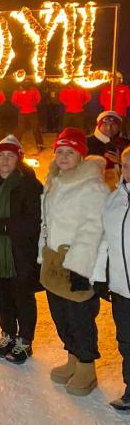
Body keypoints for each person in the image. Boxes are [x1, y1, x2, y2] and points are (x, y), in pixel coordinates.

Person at [39, 127, 108, 396]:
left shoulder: (93, 186)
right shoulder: (54, 180)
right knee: (60, 315)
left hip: (77, 263)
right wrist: (42, 256)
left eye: (70, 152)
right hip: (54, 261)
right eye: (60, 151)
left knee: (80, 318)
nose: (64, 157)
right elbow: (46, 223)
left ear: (81, 155)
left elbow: (93, 229)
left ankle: (86, 367)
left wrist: (80, 269)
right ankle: (72, 360)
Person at [0, 135, 43, 364]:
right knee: (3, 295)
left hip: (20, 253)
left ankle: (25, 341)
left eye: (10, 155)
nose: (5, 160)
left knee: (22, 296)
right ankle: (7, 335)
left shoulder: (29, 184)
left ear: (19, 159)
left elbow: (36, 220)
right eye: (1, 155)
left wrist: (3, 226)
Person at [93, 147, 130, 410]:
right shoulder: (115, 198)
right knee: (126, 339)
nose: (129, 171)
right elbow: (103, 241)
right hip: (120, 287)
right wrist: (99, 277)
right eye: (126, 165)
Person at [87, 110, 128, 189]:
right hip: (93, 187)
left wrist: (121, 162)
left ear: (119, 127)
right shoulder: (86, 142)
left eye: (113, 125)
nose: (109, 128)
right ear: (99, 126)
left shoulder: (126, 144)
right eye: (105, 124)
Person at [11, 81, 44, 154]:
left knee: (35, 128)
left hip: (32, 112)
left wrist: (32, 105)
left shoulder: (34, 90)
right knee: (20, 128)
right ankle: (15, 144)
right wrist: (19, 106)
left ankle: (40, 145)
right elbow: (13, 101)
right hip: (22, 112)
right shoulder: (17, 90)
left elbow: (38, 99)